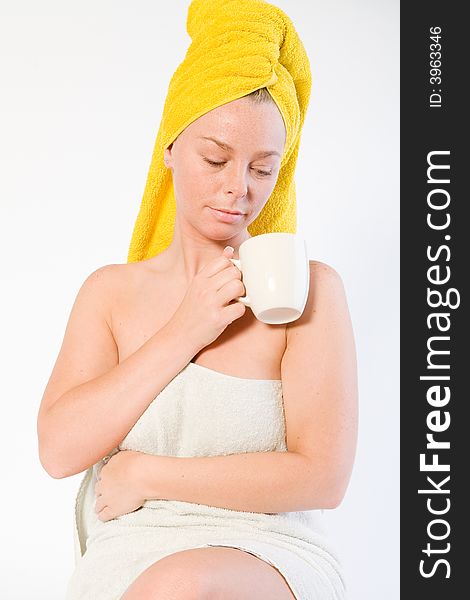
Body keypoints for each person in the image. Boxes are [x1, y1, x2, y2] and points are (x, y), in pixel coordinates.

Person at [37, 1, 358, 599]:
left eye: (263, 169)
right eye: (216, 159)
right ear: (170, 148)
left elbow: (323, 477)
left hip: (268, 553)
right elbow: (58, 450)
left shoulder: (308, 293)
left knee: (185, 584)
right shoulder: (109, 293)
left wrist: (153, 475)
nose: (239, 189)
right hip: (127, 558)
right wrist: (186, 329)